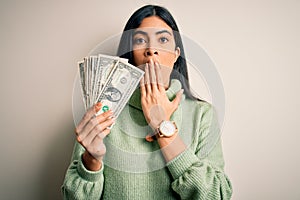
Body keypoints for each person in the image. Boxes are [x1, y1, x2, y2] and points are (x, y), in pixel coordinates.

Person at [62, 5, 232, 200]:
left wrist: (162, 127)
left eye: (163, 39)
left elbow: (217, 195)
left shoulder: (202, 114)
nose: (152, 50)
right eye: (141, 40)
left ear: (176, 54)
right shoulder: (104, 111)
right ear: (131, 55)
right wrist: (91, 161)